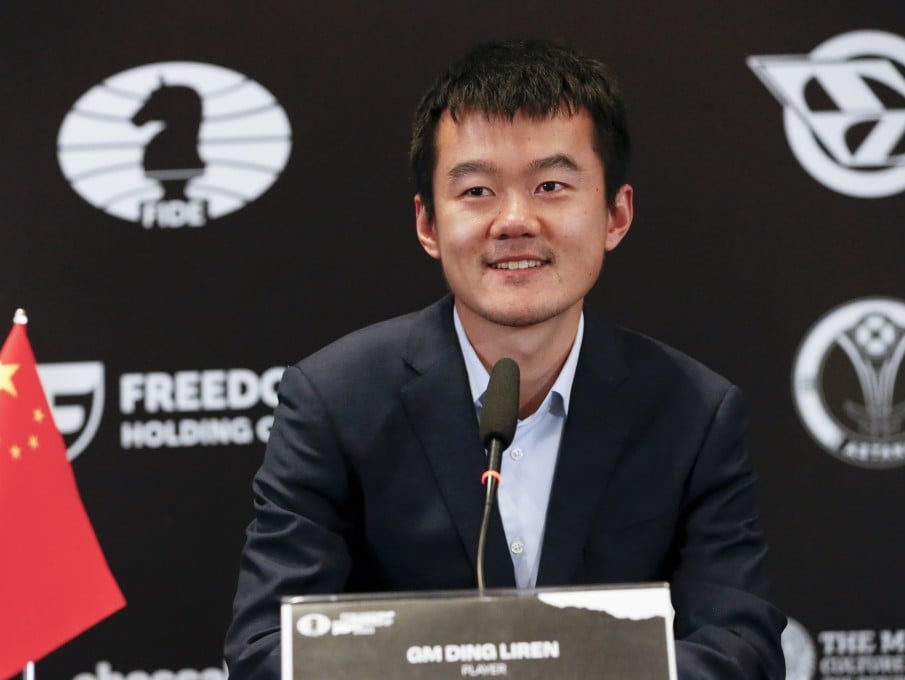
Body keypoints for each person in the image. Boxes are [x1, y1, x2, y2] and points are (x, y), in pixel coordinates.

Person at [225, 39, 785, 679]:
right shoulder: (336, 401)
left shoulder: (693, 412)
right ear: (428, 224)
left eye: (551, 185)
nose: (515, 221)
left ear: (615, 214)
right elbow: (266, 651)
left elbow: (740, 646)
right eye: (478, 191)